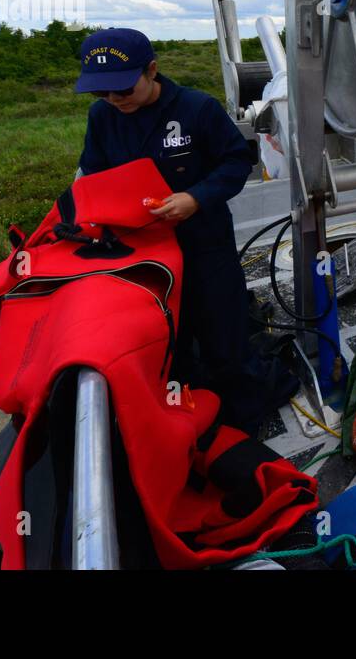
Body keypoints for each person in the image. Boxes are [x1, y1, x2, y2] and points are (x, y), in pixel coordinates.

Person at [73, 28, 293, 434]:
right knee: (170, 337)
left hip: (204, 244)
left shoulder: (197, 109)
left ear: (152, 70)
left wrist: (195, 197)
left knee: (223, 333)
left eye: (122, 88)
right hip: (144, 252)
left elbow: (233, 163)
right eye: (100, 92)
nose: (113, 99)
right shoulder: (102, 117)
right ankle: (189, 415)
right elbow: (93, 174)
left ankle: (244, 418)